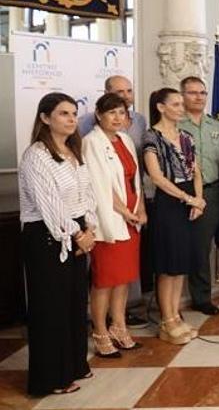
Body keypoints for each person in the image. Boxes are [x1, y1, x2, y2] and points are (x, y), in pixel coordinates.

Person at [19, 93, 97, 395]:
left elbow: (86, 192)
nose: (71, 119)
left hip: (77, 229)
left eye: (74, 113)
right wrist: (76, 235)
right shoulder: (36, 155)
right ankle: (50, 378)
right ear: (44, 118)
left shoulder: (73, 151)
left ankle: (75, 364)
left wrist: (88, 227)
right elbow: (48, 203)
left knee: (74, 305)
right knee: (50, 309)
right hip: (47, 236)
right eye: (63, 113)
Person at [78, 75, 149, 329]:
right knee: (105, 279)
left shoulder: (126, 140)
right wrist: (125, 211)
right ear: (98, 115)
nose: (118, 118)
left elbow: (135, 181)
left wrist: (140, 208)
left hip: (131, 217)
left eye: (122, 113)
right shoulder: (91, 143)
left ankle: (118, 326)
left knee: (124, 278)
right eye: (111, 113)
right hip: (110, 218)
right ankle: (100, 331)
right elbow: (100, 186)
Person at [143, 88, 205, 344]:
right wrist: (188, 198)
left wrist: (199, 200)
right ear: (161, 107)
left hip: (190, 200)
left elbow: (196, 171)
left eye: (182, 104)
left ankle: (176, 315)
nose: (182, 108)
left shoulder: (186, 136)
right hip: (169, 202)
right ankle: (166, 320)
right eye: (176, 104)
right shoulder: (152, 137)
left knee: (181, 265)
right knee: (167, 266)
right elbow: (157, 177)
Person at [178, 76, 219, 316]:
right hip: (182, 193)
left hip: (212, 192)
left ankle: (201, 297)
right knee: (181, 246)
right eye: (192, 93)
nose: (199, 97)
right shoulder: (175, 125)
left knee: (203, 246)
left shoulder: (217, 126)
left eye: (202, 93)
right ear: (182, 95)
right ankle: (173, 298)